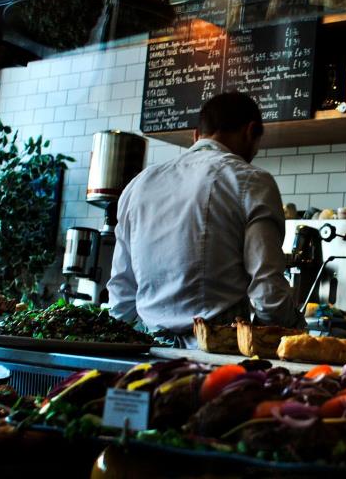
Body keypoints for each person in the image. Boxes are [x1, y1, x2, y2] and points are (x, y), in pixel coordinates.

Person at [107, 92, 304, 345]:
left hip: (148, 352)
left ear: (196, 135)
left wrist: (115, 347)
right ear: (251, 131)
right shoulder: (251, 181)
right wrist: (293, 330)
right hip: (217, 355)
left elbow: (122, 290)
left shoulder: (139, 184)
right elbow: (268, 293)